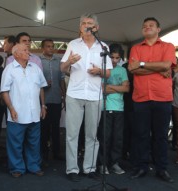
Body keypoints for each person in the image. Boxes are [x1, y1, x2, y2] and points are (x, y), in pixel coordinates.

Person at [60, 13, 112, 182]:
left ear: (96, 28)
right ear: (80, 27)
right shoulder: (73, 44)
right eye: (83, 23)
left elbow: (109, 73)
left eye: (90, 23)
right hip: (74, 94)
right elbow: (62, 68)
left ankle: (90, 168)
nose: (86, 25)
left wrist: (99, 71)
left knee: (92, 135)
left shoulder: (103, 47)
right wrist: (70, 61)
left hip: (94, 95)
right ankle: (72, 169)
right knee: (72, 134)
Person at [128, 17, 176, 183]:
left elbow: (166, 65)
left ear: (158, 29)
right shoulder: (135, 48)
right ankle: (141, 167)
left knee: (161, 136)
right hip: (141, 98)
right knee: (141, 135)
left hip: (162, 97)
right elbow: (133, 69)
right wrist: (158, 67)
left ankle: (161, 168)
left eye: (151, 25)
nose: (147, 28)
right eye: (144, 26)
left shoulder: (168, 46)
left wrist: (142, 64)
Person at [1, 44, 47, 178]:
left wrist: (43, 105)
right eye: (25, 50)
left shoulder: (35, 68)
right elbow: (4, 91)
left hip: (35, 113)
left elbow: (41, 88)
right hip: (18, 113)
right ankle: (16, 168)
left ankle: (33, 166)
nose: (29, 52)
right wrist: (11, 108)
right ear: (16, 54)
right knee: (15, 143)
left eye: (28, 50)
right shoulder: (9, 70)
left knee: (34, 142)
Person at [97, 43, 129, 175]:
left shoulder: (122, 70)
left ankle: (114, 163)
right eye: (112, 57)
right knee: (105, 137)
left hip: (119, 108)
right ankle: (102, 164)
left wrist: (109, 88)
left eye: (117, 58)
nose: (114, 60)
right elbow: (100, 88)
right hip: (105, 107)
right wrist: (118, 88)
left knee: (117, 138)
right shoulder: (102, 69)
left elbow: (126, 88)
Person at [39, 39, 66, 162]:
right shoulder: (38, 61)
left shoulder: (59, 61)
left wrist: (64, 96)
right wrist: (44, 83)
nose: (51, 48)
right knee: (44, 128)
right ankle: (43, 153)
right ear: (42, 48)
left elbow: (61, 79)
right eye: (48, 46)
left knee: (56, 127)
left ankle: (56, 152)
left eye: (52, 46)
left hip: (56, 98)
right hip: (43, 100)